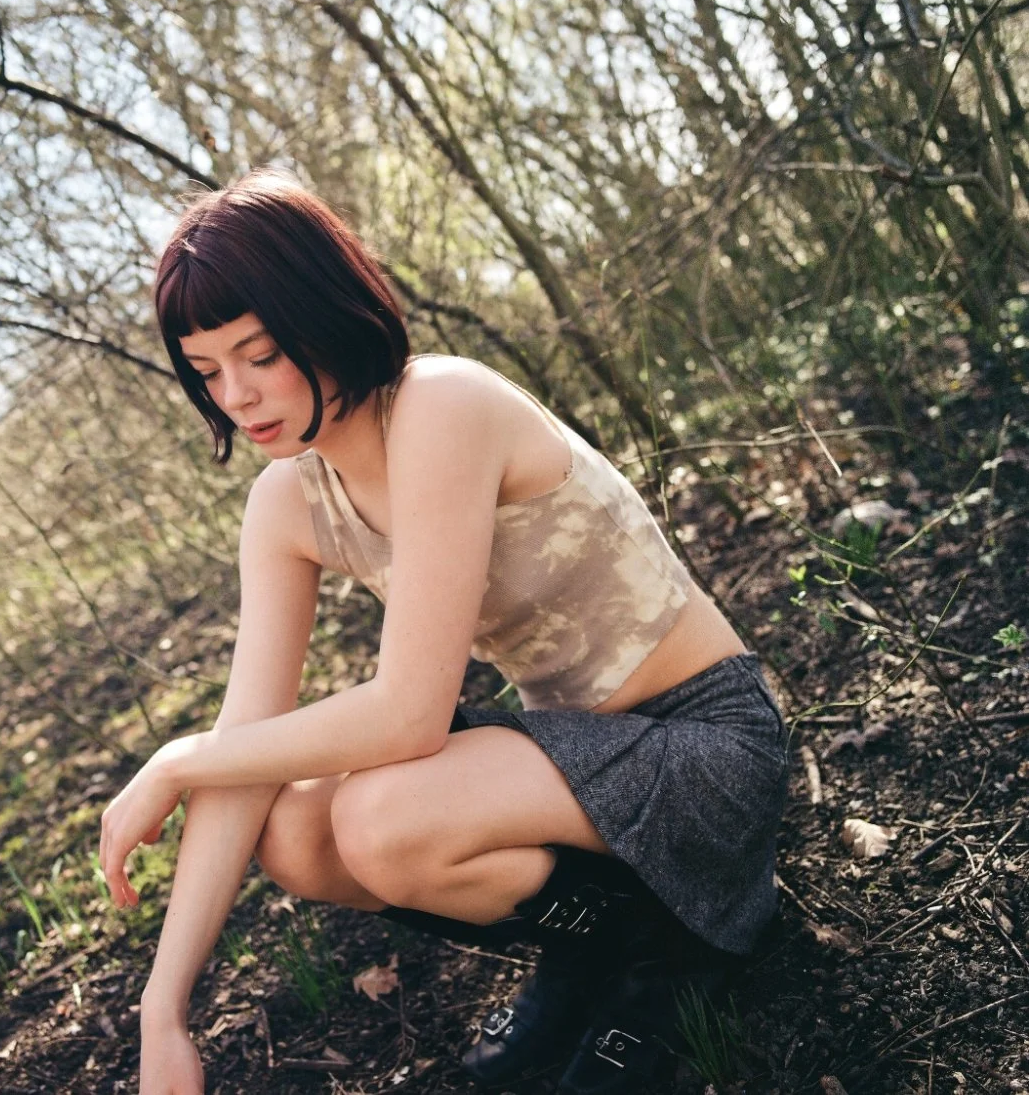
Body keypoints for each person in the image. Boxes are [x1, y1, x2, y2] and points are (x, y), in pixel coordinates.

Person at [100, 168, 788, 1095]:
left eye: (259, 353)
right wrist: (163, 1010)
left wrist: (178, 762)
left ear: (322, 312)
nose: (237, 394)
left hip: (702, 747)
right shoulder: (284, 506)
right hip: (575, 763)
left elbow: (411, 714)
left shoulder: (442, 403)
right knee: (295, 834)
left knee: (382, 818)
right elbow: (248, 746)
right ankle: (601, 951)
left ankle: (676, 967)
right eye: (208, 368)